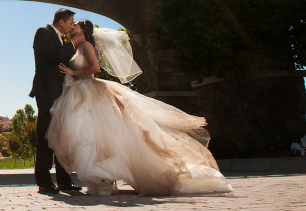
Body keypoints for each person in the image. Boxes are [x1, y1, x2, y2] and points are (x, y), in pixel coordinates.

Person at [47, 20, 233, 196]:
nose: (72, 26)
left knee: (100, 137)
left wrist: (74, 72)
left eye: (76, 24)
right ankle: (98, 179)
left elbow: (95, 68)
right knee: (87, 137)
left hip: (92, 93)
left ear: (83, 30)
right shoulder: (76, 47)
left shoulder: (87, 46)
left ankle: (106, 179)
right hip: (78, 94)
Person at [29, 8, 84, 194]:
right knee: (45, 136)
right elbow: (53, 57)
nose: (71, 27)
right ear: (61, 22)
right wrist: (74, 43)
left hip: (61, 92)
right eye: (70, 23)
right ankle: (44, 181)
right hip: (46, 92)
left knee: (61, 136)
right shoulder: (42, 33)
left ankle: (64, 181)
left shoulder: (61, 38)